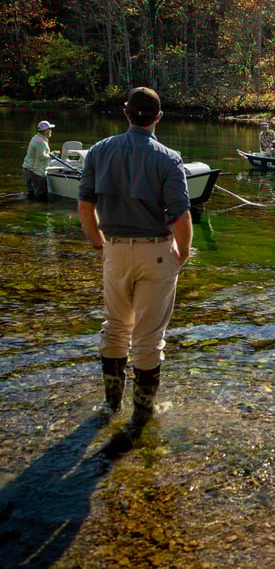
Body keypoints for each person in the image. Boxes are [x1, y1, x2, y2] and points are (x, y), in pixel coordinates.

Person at [78, 87, 193, 434]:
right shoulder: (169, 159)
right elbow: (181, 217)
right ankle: (143, 415)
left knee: (115, 328)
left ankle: (111, 404)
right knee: (148, 337)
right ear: (158, 117)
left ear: (126, 113)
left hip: (114, 250)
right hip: (156, 252)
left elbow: (86, 207)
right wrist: (182, 255)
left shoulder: (99, 151)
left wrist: (100, 245)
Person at [22, 120, 55, 200]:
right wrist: (52, 156)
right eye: (49, 129)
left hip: (28, 168)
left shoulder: (36, 138)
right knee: (41, 196)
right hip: (36, 172)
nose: (51, 131)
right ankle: (38, 209)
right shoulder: (41, 142)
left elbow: (39, 154)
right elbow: (41, 157)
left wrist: (50, 154)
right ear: (45, 131)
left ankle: (29, 207)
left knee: (31, 194)